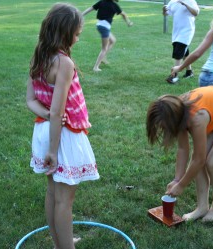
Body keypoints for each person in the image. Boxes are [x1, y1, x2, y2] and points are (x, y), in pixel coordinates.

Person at [26, 4, 99, 248]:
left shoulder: (39, 56)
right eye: (77, 34)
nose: (78, 39)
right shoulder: (63, 63)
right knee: (64, 200)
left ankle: (60, 242)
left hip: (44, 129)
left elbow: (30, 101)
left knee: (52, 193)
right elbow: (58, 112)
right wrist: (53, 151)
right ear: (66, 34)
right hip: (63, 135)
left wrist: (46, 116)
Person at [146, 86, 213, 222]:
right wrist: (177, 180)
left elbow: (199, 160)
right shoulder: (175, 110)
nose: (163, 129)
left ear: (173, 119)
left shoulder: (197, 118)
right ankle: (202, 207)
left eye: (164, 126)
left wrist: (182, 186)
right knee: (197, 160)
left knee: (212, 162)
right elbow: (183, 149)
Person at [82, 0, 133, 72]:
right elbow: (123, 14)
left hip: (100, 25)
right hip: (104, 27)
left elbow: (91, 8)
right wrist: (128, 22)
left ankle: (103, 58)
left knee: (112, 40)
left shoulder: (102, 2)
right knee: (104, 48)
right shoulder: (114, 5)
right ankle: (96, 67)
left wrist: (81, 14)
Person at [163, 0, 200, 84]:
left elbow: (196, 13)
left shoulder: (190, 1)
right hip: (177, 31)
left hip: (187, 31)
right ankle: (189, 72)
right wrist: (164, 10)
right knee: (184, 52)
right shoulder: (173, 1)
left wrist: (186, 4)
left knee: (178, 52)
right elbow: (166, 13)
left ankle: (174, 76)